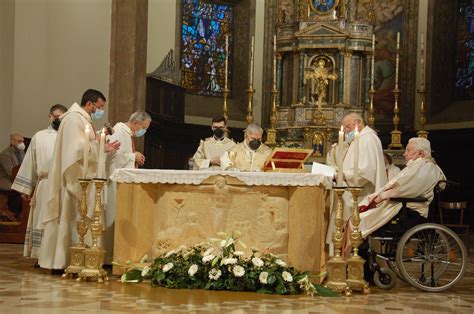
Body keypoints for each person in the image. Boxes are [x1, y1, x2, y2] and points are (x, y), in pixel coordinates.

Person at [39, 89, 120, 270]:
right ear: (89, 104)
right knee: (69, 217)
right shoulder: (73, 118)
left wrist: (100, 141)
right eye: (98, 107)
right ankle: (63, 261)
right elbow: (75, 148)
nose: (99, 111)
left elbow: (84, 142)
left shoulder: (82, 119)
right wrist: (100, 146)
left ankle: (77, 259)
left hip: (82, 174)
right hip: (72, 179)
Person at [356, 137, 446, 238]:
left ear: (420, 153)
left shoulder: (426, 167)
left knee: (360, 219)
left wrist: (382, 196)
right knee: (359, 216)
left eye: (408, 150)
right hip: (401, 203)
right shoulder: (417, 166)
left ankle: (358, 248)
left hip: (408, 207)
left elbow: (407, 188)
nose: (404, 154)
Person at [11, 104, 68, 259]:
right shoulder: (39, 136)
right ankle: (40, 255)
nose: (58, 120)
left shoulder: (70, 136)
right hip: (45, 184)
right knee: (43, 219)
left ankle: (59, 255)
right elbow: (30, 162)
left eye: (62, 117)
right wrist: (26, 189)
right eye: (56, 117)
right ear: (50, 116)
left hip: (64, 185)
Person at [326, 112, 387, 251]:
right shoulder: (361, 139)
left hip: (360, 195)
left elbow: (365, 172)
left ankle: (351, 261)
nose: (346, 131)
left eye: (347, 127)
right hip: (351, 193)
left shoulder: (367, 139)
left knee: (353, 234)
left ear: (358, 123)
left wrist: (342, 175)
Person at [104, 110, 151, 262]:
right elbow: (113, 157)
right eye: (144, 127)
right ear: (136, 123)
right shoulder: (119, 130)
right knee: (112, 217)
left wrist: (134, 155)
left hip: (122, 183)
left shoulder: (127, 133)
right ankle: (108, 255)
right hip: (114, 183)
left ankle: (114, 254)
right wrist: (133, 156)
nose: (144, 131)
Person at [0, 133, 26, 219]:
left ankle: (21, 214)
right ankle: (12, 212)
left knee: (29, 190)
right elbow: (10, 172)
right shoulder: (5, 154)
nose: (22, 143)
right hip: (6, 180)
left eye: (22, 141)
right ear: (12, 142)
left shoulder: (22, 152)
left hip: (18, 179)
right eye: (19, 141)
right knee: (21, 191)